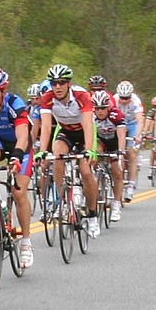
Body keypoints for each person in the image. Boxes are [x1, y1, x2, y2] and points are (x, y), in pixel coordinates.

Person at [0, 66, 35, 268]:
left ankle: (26, 243)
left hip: (21, 147)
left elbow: (22, 135)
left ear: (3, 91)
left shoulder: (14, 104)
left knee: (19, 193)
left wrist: (18, 156)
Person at [34, 64, 99, 238]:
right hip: (66, 131)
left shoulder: (82, 96)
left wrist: (90, 150)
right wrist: (41, 151)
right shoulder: (47, 98)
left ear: (69, 83)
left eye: (62, 82)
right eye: (54, 83)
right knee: (56, 154)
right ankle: (62, 197)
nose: (57, 87)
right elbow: (46, 127)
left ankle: (92, 215)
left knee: (85, 171)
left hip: (84, 132)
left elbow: (87, 125)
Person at [91, 90, 126, 221]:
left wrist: (121, 152)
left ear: (108, 107)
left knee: (117, 172)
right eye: (97, 108)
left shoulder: (116, 115)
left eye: (103, 108)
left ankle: (116, 204)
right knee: (94, 155)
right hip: (101, 141)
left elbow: (122, 135)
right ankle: (93, 181)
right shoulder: (91, 117)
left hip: (115, 143)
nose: (100, 111)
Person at [114, 80, 144, 202]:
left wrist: (138, 135)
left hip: (132, 125)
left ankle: (130, 184)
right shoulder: (114, 100)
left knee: (131, 152)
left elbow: (140, 121)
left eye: (127, 98)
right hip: (118, 125)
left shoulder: (136, 101)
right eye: (122, 98)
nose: (125, 100)